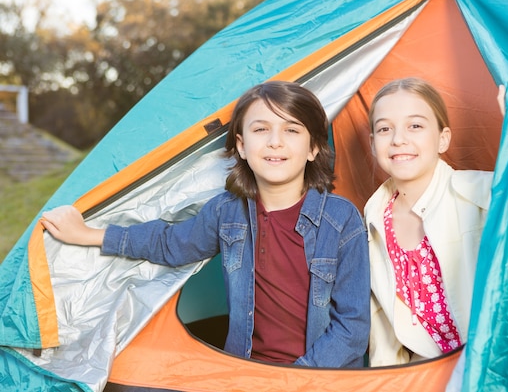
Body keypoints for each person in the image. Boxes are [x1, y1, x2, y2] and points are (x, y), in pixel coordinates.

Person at [42, 80, 370, 368]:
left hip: (320, 377)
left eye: (291, 130)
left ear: (313, 147)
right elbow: (169, 244)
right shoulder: (227, 213)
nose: (275, 141)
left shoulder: (341, 220)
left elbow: (352, 329)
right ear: (241, 145)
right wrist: (90, 235)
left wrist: (296, 380)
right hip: (244, 370)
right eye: (260, 129)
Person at [364, 77, 496, 366]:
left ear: (443, 138)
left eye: (415, 126)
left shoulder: (485, 192)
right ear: (373, 144)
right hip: (426, 375)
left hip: (493, 366)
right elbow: (384, 329)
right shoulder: (373, 220)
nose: (398, 139)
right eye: (385, 128)